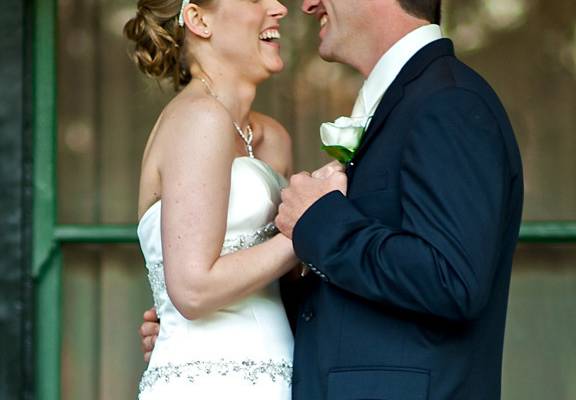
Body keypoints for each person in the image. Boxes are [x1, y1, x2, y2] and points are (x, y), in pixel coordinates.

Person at [141, 0, 524, 399]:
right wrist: (202, 338)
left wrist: (316, 224)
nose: (303, 5)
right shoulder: (401, 103)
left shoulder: (449, 103)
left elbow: (452, 278)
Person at [122, 0, 324, 398]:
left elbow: (279, 283)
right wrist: (310, 226)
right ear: (198, 19)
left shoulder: (272, 138)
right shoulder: (198, 118)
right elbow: (194, 289)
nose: (279, 8)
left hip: (281, 379)